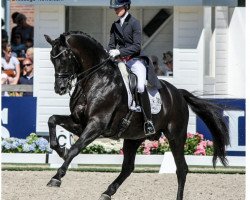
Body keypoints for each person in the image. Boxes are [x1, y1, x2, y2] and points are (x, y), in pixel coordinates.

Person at [107, 0, 160, 135]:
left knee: (141, 86)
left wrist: (119, 52)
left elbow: (137, 46)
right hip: (121, 62)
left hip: (135, 60)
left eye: (118, 7)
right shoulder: (115, 25)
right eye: (115, 8)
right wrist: (111, 52)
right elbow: (111, 45)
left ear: (125, 6)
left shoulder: (134, 23)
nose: (115, 10)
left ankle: (148, 121)